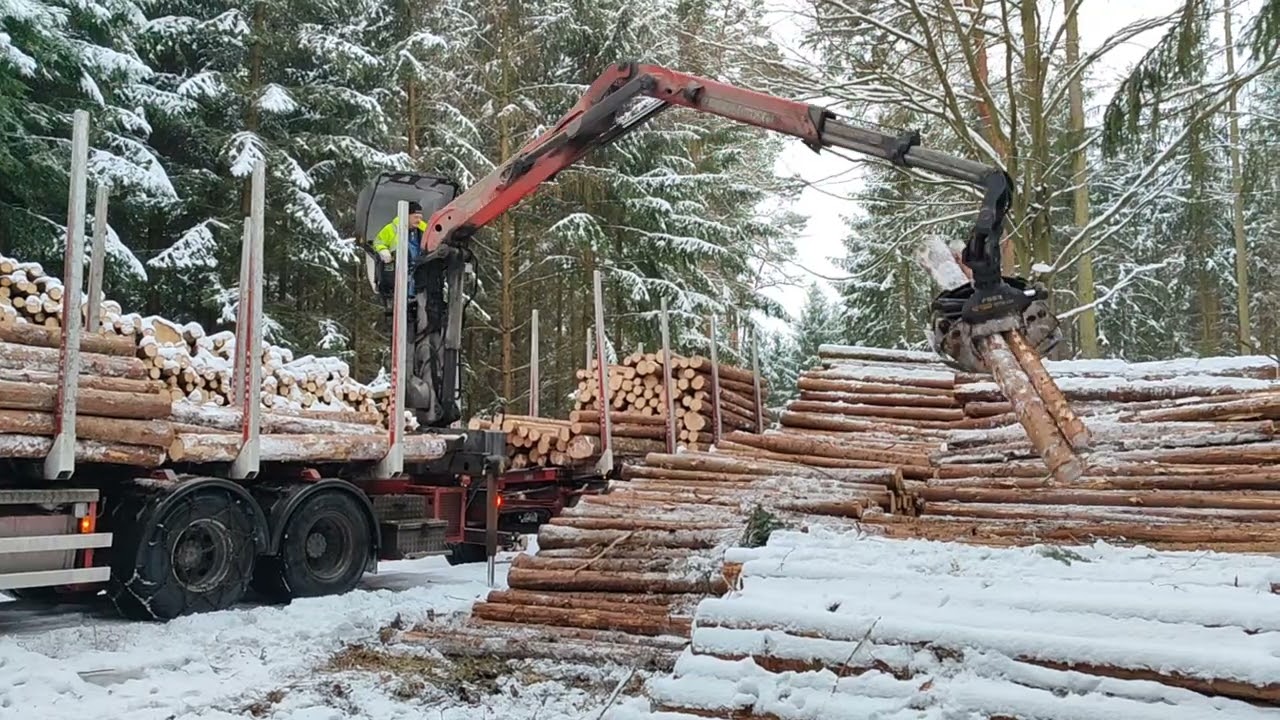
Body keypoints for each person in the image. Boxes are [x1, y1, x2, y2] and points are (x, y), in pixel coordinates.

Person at [373, 201, 426, 295]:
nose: (418, 220)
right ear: (406, 215)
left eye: (420, 217)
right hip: (398, 273)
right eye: (415, 217)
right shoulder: (391, 228)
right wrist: (383, 250)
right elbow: (378, 242)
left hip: (419, 272)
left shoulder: (424, 229)